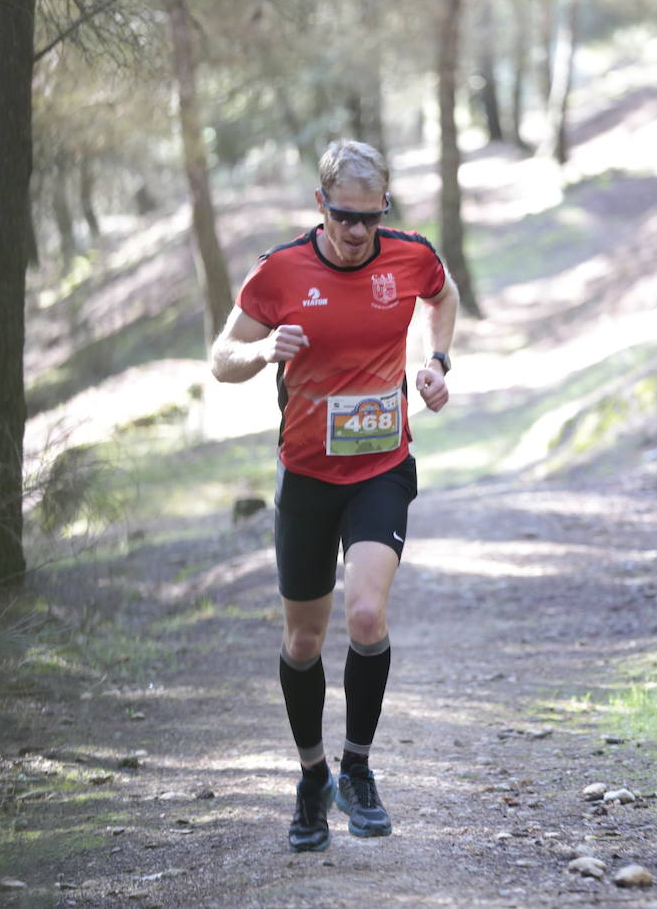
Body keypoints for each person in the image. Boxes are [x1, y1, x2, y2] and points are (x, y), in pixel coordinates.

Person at [210, 140, 459, 852]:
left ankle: (357, 769)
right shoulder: (280, 271)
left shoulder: (409, 255)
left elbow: (444, 296)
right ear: (322, 206)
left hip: (381, 467)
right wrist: (262, 354)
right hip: (308, 477)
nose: (358, 232)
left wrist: (436, 363)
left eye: (371, 218)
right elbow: (221, 357)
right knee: (303, 639)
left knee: (368, 615)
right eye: (346, 218)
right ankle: (311, 777)